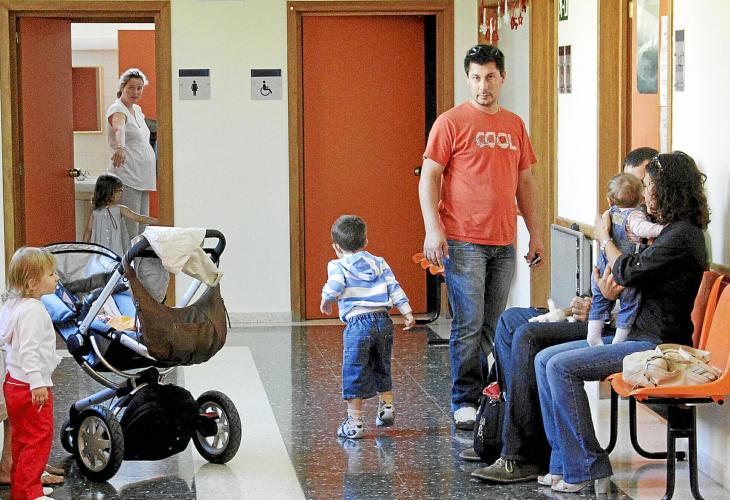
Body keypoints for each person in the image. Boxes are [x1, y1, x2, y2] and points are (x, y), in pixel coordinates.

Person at [470, 146, 658, 483]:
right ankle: (509, 435)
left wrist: (603, 301)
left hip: (619, 327)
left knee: (529, 336)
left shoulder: (645, 230)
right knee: (510, 320)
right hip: (600, 315)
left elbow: (632, 285)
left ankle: (521, 454)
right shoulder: (618, 220)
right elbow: (605, 277)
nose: (635, 194)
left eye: (642, 184)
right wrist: (587, 301)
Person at [535, 151, 709, 493]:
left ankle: (585, 467)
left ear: (668, 189)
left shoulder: (683, 236)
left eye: (649, 186)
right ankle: (563, 464)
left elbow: (627, 271)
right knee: (544, 360)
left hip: (658, 345)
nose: (645, 193)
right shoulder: (667, 231)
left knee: (560, 367)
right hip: (638, 335)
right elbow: (629, 277)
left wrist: (605, 238)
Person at [418, 44, 543, 430]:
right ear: (467, 79)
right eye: (475, 78)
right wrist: (433, 228)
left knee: (491, 324)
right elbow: (429, 177)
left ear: (502, 77)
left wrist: (536, 234)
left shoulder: (514, 125)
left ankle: (484, 393)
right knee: (468, 323)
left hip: (503, 240)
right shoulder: (450, 122)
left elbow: (525, 182)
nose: (482, 85)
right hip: (462, 239)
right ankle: (464, 399)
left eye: (489, 77)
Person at [320, 215, 415, 439]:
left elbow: (335, 285)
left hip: (357, 324)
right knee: (382, 363)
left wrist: (326, 300)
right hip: (383, 320)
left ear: (336, 247)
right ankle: (386, 407)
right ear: (366, 242)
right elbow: (394, 287)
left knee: (354, 370)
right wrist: (407, 312)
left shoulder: (337, 265)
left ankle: (354, 423)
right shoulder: (379, 262)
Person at [0, 247, 63, 500]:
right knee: (38, 438)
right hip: (30, 387)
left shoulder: (14, 305)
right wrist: (37, 383)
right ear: (32, 283)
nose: (57, 278)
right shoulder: (33, 311)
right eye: (51, 274)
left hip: (13, 383)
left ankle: (24, 487)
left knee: (22, 438)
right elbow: (29, 350)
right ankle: (29, 493)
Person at [586, 173, 664, 346]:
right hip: (625, 268)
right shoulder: (635, 216)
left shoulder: (609, 213)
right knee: (630, 303)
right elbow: (643, 229)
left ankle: (593, 335)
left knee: (599, 301)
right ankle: (619, 340)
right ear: (641, 198)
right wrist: (663, 230)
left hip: (603, 266)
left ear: (609, 200)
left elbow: (601, 231)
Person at [106, 68, 157, 241]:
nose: (135, 92)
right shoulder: (117, 109)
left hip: (143, 176)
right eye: (131, 88)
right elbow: (119, 128)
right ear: (122, 87)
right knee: (130, 227)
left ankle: (139, 258)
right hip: (127, 176)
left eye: (139, 88)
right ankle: (128, 258)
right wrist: (120, 147)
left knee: (142, 227)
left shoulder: (137, 110)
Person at [83, 174, 159, 257]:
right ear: (108, 192)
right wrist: (83, 247)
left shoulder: (120, 209)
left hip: (116, 247)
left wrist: (158, 221)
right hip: (100, 248)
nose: (121, 193)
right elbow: (88, 229)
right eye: (118, 190)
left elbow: (139, 218)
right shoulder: (95, 210)